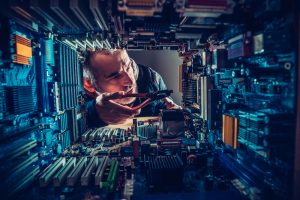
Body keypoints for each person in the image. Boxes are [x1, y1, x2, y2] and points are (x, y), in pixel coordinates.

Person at [82, 48, 180, 127]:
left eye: (129, 67)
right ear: (88, 84)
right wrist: (94, 113)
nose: (130, 81)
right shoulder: (75, 97)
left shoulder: (152, 79)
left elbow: (162, 106)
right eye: (115, 76)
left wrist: (174, 114)